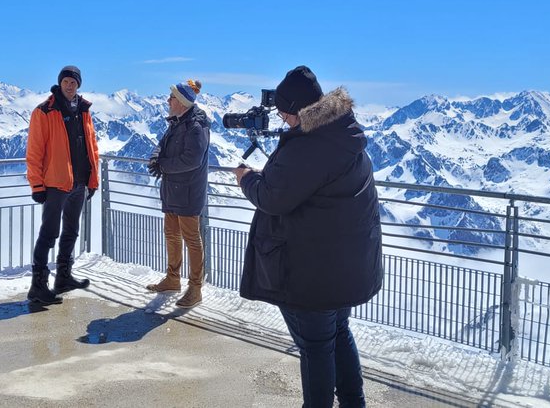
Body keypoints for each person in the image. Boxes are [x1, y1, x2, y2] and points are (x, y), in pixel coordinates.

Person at [233, 65, 383, 408]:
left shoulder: (309, 145)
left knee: (315, 346)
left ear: (297, 111)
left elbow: (273, 197)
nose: (283, 120)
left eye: (286, 114)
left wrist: (246, 179)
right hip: (342, 265)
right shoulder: (342, 133)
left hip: (311, 270)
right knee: (338, 334)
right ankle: (353, 402)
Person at [25, 65, 100, 304]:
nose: (70, 85)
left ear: (79, 85)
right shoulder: (44, 111)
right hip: (56, 183)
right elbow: (34, 151)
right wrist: (36, 185)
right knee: (49, 234)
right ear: (60, 83)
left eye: (74, 82)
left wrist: (93, 179)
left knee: (71, 231)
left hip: (79, 182)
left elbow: (93, 147)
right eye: (66, 81)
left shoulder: (84, 110)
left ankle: (64, 277)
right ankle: (38, 285)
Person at [145, 79, 211, 309]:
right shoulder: (177, 122)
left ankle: (195, 288)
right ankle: (172, 279)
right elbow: (161, 144)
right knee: (171, 235)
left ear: (181, 103)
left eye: (171, 97)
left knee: (192, 240)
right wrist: (156, 158)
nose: (168, 100)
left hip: (188, 191)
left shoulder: (196, 126)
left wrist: (162, 165)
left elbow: (192, 160)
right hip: (173, 189)